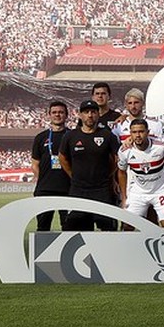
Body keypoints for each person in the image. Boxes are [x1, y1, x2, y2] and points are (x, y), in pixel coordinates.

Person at [58, 99, 120, 231]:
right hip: (78, 189)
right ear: (80, 115)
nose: (90, 115)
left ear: (98, 114)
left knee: (108, 229)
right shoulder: (70, 136)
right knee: (75, 229)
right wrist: (72, 174)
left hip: (102, 190)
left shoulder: (107, 136)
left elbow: (117, 159)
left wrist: (108, 174)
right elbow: (62, 157)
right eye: (86, 112)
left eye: (93, 112)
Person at [116, 118, 164, 228]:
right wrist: (124, 197)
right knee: (127, 225)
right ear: (130, 134)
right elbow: (121, 172)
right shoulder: (125, 151)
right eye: (134, 132)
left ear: (148, 132)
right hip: (138, 192)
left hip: (161, 191)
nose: (137, 135)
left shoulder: (161, 147)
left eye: (141, 132)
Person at [31, 100, 71, 231]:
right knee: (42, 227)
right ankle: (42, 252)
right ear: (49, 115)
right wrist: (42, 179)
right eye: (54, 112)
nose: (57, 115)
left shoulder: (72, 136)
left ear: (66, 115)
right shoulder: (40, 137)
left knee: (69, 227)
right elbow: (35, 163)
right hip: (45, 189)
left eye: (61, 112)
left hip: (68, 189)